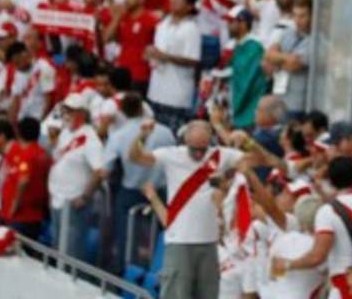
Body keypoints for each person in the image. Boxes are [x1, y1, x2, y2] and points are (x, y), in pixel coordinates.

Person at [130, 119, 247, 299]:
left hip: (209, 243)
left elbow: (253, 161)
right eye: (194, 149)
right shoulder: (171, 155)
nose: (199, 155)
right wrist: (142, 136)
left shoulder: (220, 155)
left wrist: (245, 142)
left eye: (203, 149)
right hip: (180, 242)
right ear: (185, 142)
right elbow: (136, 157)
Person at [275, 155, 352, 299]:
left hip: (347, 287)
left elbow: (317, 257)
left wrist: (287, 264)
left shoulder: (327, 212)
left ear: (331, 181)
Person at [102, 92, 175, 275]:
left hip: (132, 191)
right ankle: (153, 275)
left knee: (125, 238)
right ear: (142, 108)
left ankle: (122, 279)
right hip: (159, 191)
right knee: (160, 238)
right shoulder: (165, 131)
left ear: (123, 112)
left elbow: (106, 168)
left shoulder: (119, 135)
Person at [47, 91, 106, 262]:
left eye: (71, 111)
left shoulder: (91, 139)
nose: (66, 114)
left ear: (82, 113)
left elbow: (99, 171)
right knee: (57, 245)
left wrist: (85, 196)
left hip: (73, 201)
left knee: (71, 251)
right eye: (65, 110)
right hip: (57, 198)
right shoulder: (66, 133)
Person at [146, 0, 202, 130]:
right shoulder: (163, 24)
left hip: (176, 94)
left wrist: (165, 57)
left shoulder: (191, 29)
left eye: (178, 1)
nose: (172, 2)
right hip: (156, 89)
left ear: (189, 7)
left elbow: (193, 60)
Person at [0, 116, 50, 241]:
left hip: (20, 215)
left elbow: (23, 180)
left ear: (19, 133)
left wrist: (15, 204)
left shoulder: (27, 154)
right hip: (34, 213)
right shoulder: (43, 153)